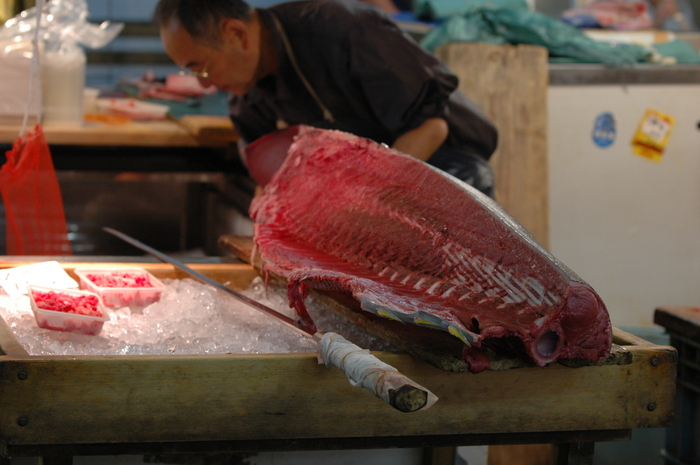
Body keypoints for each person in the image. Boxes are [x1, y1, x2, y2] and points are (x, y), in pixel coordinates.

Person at [153, 0, 499, 197]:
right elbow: (268, 178)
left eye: (200, 68)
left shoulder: (341, 28)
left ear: (235, 33)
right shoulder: (248, 94)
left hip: (445, 170)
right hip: (370, 194)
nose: (204, 85)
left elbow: (430, 127)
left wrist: (360, 201)